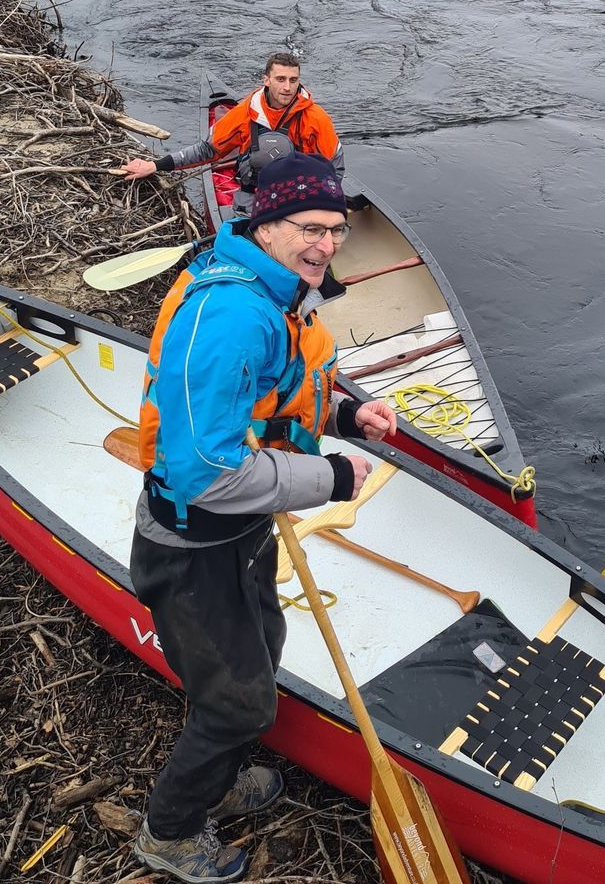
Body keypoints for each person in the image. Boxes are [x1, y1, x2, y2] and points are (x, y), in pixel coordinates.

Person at [130, 152, 396, 883]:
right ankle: (169, 831)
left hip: (240, 533)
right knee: (239, 702)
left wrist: (345, 414)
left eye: (337, 230)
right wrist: (331, 476)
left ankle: (219, 772)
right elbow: (203, 469)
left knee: (262, 650)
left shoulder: (276, 292)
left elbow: (275, 394)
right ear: (267, 224)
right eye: (311, 228)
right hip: (191, 546)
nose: (326, 245)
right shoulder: (230, 317)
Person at [123, 52, 344, 214]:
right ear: (266, 80)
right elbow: (208, 150)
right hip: (254, 192)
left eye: (293, 80)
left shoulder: (316, 119)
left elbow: (335, 167)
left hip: (298, 194)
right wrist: (155, 165)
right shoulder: (245, 113)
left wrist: (321, 205)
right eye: (280, 79)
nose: (287, 87)